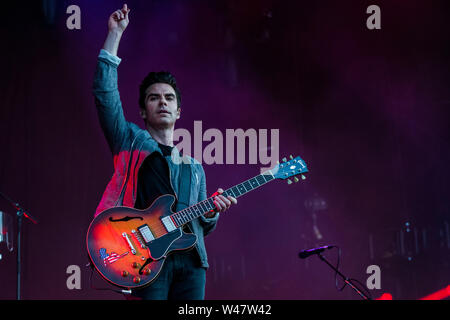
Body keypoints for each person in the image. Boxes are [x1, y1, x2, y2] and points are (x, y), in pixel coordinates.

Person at [93, 4, 237, 300]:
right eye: (154, 98)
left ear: (179, 110)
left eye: (169, 98)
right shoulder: (130, 140)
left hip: (191, 263)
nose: (163, 102)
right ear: (143, 110)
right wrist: (114, 35)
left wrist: (211, 212)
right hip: (146, 259)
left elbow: (202, 225)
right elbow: (104, 94)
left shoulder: (194, 167)